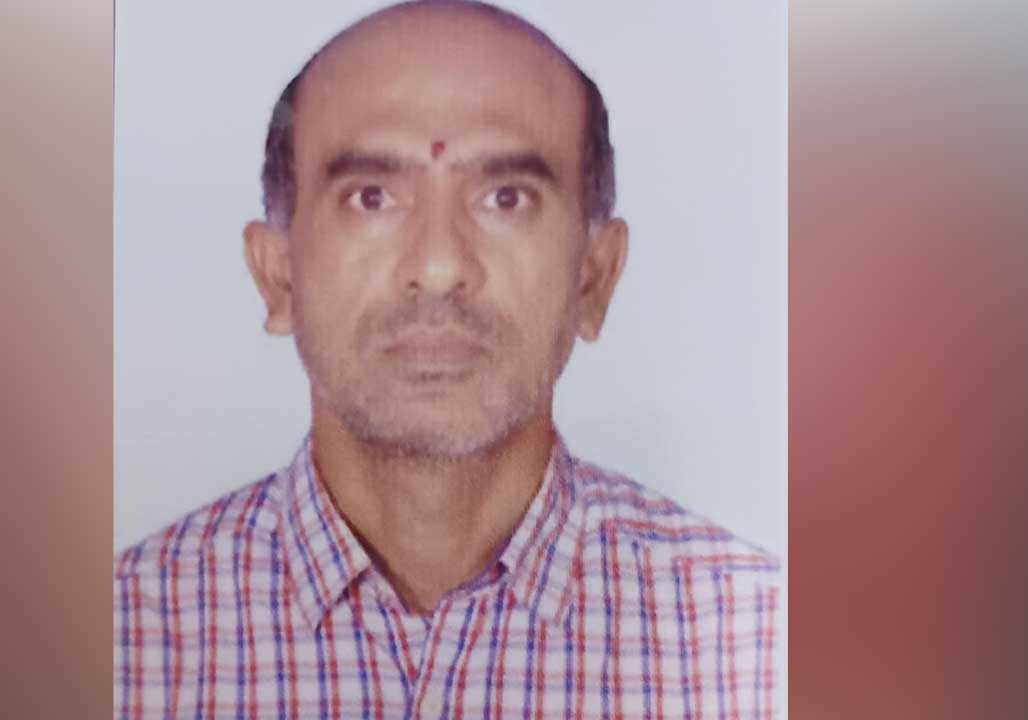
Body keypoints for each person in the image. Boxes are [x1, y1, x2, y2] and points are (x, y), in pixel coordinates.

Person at [114, 1, 778, 718]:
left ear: (594, 278)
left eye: (506, 198)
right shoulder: (117, 652)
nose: (437, 266)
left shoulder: (760, 651)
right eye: (371, 198)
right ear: (278, 277)